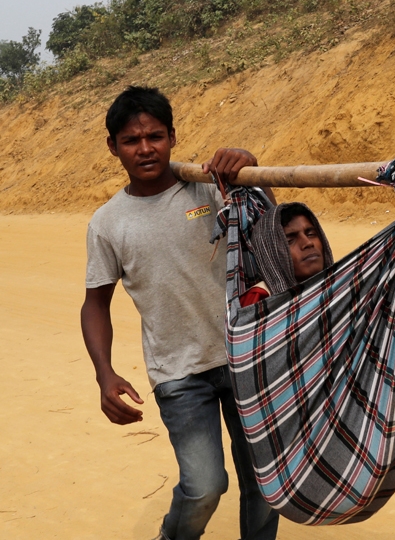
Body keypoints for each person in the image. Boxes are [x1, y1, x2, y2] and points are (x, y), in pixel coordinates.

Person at [80, 86, 279, 540]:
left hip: (245, 357)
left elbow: (273, 224)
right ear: (113, 147)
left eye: (155, 136)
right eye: (131, 140)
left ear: (172, 135)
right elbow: (95, 304)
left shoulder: (214, 187)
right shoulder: (108, 223)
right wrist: (103, 373)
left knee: (265, 484)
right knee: (205, 486)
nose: (145, 148)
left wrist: (250, 168)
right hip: (179, 374)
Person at [239, 202, 334, 307]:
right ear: (271, 254)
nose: (308, 243)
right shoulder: (259, 299)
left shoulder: (339, 288)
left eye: (311, 234)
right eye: (289, 241)